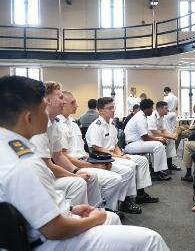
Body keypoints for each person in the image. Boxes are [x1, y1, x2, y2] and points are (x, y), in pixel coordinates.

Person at [0, 76, 169, 250]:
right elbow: (55, 229)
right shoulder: (24, 163)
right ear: (28, 118)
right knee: (151, 239)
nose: (48, 115)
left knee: (112, 218)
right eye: (43, 109)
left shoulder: (10, 148)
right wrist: (95, 219)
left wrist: (72, 209)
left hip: (49, 227)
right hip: (52, 242)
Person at [57, 91, 142, 214]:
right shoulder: (59, 125)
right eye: (73, 102)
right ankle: (106, 208)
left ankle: (116, 204)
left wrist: (99, 161)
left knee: (126, 170)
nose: (77, 105)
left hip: (85, 160)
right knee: (115, 178)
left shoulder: (73, 123)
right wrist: (93, 165)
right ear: (63, 104)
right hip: (74, 166)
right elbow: (65, 157)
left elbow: (84, 152)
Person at [31, 81, 101, 207]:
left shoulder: (54, 125)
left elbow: (58, 157)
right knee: (78, 183)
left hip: (48, 173)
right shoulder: (40, 126)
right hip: (38, 179)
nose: (64, 102)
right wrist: (75, 175)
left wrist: (76, 170)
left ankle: (94, 209)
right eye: (60, 97)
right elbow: (48, 164)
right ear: (48, 101)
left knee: (91, 177)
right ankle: (73, 218)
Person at [86, 97, 159, 207]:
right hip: (104, 157)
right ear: (100, 110)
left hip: (114, 155)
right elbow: (97, 148)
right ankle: (125, 200)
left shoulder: (111, 124)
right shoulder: (96, 126)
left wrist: (120, 154)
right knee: (130, 165)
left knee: (143, 160)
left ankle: (140, 194)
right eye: (109, 108)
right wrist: (119, 156)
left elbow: (115, 145)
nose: (113, 110)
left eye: (113, 107)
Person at [124, 99, 171, 181]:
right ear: (147, 108)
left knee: (159, 142)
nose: (152, 110)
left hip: (137, 142)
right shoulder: (140, 118)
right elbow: (145, 137)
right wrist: (159, 140)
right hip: (132, 144)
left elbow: (146, 136)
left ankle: (156, 169)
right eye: (151, 108)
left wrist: (158, 139)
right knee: (158, 145)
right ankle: (156, 173)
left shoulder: (141, 116)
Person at [148, 101, 181, 172]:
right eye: (166, 108)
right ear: (160, 109)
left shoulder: (161, 117)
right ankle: (158, 169)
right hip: (150, 136)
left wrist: (171, 136)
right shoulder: (153, 116)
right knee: (162, 142)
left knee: (170, 140)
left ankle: (169, 164)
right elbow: (155, 133)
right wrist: (170, 136)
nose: (168, 110)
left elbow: (164, 130)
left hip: (156, 135)